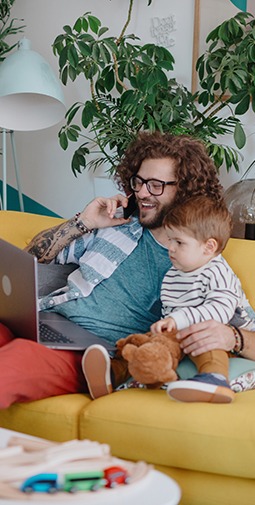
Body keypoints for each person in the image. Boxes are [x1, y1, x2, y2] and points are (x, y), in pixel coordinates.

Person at [0, 132, 254, 409]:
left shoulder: (200, 260)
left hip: (92, 353)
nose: (142, 192)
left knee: (14, 364)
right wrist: (83, 222)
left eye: (156, 185)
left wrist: (235, 337)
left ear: (185, 190)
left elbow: (240, 320)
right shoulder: (117, 226)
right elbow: (30, 261)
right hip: (45, 320)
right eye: (140, 181)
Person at [149, 196, 255, 403]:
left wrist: (177, 320)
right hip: (187, 335)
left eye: (179, 242)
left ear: (208, 247)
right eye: (170, 240)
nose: (170, 248)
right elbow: (171, 312)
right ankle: (117, 371)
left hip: (226, 342)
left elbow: (219, 311)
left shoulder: (217, 271)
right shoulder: (174, 273)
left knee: (207, 340)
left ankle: (215, 379)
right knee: (149, 343)